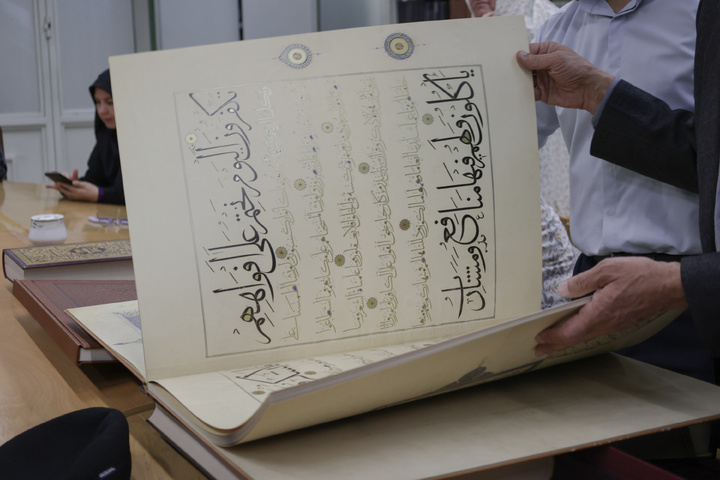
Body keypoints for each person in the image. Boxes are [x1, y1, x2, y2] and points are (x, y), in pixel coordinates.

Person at [515, 0, 720, 359]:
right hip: (590, 285)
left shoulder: (703, 16)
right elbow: (505, 141)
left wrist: (601, 95)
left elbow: (707, 155)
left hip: (685, 296)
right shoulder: (556, 30)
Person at [47, 69, 125, 205]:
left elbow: (132, 195)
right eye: (97, 102)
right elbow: (95, 179)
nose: (101, 110)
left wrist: (99, 195)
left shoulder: (145, 140)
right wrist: (72, 186)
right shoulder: (106, 137)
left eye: (110, 102)